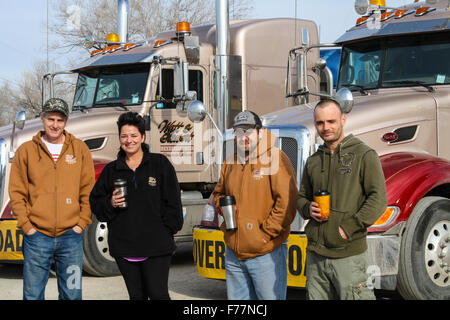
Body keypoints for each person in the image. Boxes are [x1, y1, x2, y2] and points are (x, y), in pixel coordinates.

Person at [297, 99, 387, 300]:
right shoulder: (313, 161)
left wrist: (348, 228)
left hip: (349, 256)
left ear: (343, 120)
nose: (326, 127)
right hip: (316, 256)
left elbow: (378, 199)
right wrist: (306, 208)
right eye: (320, 123)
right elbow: (302, 196)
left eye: (331, 121)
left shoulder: (364, 155)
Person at [89, 111, 183, 300]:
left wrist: (165, 232)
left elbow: (173, 204)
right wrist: (110, 203)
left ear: (142, 137)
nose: (129, 140)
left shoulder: (159, 164)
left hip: (157, 247)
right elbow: (96, 204)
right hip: (124, 249)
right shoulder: (112, 170)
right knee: (136, 296)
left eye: (133, 135)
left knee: (158, 295)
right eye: (124, 136)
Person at [9, 98, 95, 300]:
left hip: (71, 237)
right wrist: (27, 226)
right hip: (37, 236)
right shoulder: (26, 151)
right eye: (50, 119)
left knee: (72, 294)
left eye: (60, 120)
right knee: (32, 295)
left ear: (66, 122)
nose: (55, 125)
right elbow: (17, 192)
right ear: (42, 119)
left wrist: (81, 223)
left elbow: (88, 190)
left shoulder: (79, 149)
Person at [212, 110, 298, 300]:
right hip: (234, 254)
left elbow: (288, 202)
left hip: (265, 254)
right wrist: (222, 206)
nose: (244, 137)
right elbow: (218, 193)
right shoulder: (231, 161)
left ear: (260, 132)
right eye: (239, 132)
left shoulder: (276, 158)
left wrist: (265, 235)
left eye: (248, 131)